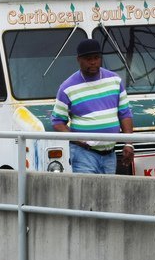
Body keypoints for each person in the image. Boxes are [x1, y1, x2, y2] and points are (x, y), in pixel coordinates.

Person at [51, 38, 134, 174]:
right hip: (84, 153)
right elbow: (57, 122)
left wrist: (129, 143)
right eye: (88, 58)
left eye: (96, 57)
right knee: (87, 194)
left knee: (108, 193)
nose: (93, 62)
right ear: (79, 59)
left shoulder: (115, 80)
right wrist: (78, 140)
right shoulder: (67, 88)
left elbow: (125, 114)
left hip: (110, 154)